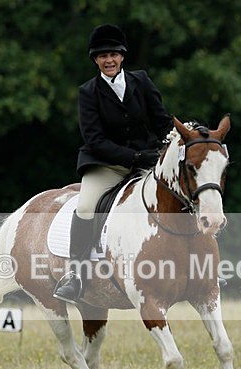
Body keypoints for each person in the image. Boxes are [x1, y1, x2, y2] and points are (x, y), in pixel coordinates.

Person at [53, 23, 173, 304]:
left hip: (147, 159)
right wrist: (133, 158)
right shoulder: (88, 92)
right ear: (95, 59)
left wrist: (176, 140)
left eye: (114, 54)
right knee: (85, 207)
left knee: (181, 191)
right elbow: (94, 140)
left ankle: (204, 265)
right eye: (102, 55)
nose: (109, 60)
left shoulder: (141, 81)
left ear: (122, 56)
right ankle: (75, 273)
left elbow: (161, 121)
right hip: (106, 164)